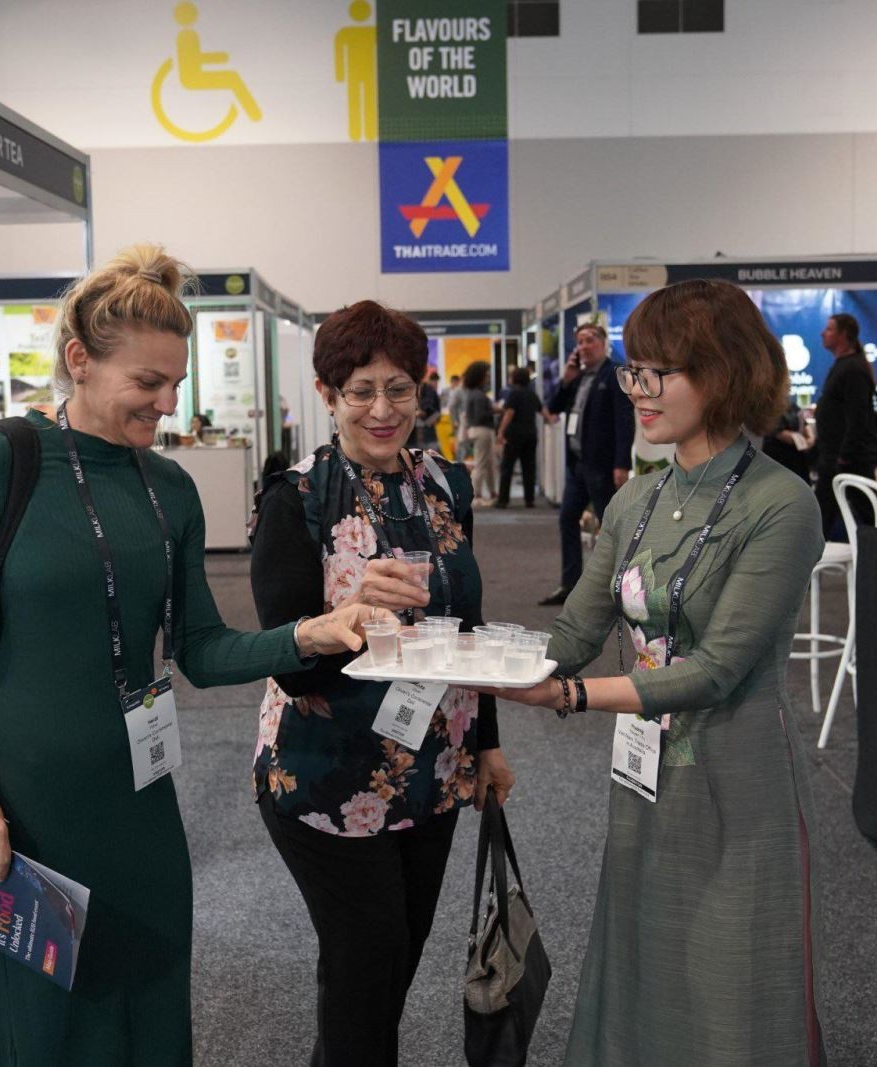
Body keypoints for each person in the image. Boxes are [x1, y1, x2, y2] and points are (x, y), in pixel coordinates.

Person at [0, 246, 379, 1066]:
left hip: (140, 805)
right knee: (42, 1030)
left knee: (147, 1016)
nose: (167, 403)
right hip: (19, 809)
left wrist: (307, 635)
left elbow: (201, 650)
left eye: (177, 384)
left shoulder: (170, 488)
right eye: (148, 383)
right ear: (80, 360)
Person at [485, 279, 827, 1066]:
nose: (637, 389)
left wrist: (567, 695)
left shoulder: (780, 504)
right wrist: (471, 655)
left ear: (726, 371)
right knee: (648, 964)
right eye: (633, 370)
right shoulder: (637, 499)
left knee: (735, 979)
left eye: (659, 371)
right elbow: (575, 631)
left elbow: (715, 671)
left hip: (738, 778)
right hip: (646, 776)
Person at [248, 299, 515, 1067]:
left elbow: (470, 622)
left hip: (433, 766)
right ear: (328, 393)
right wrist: (353, 610)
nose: (382, 408)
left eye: (399, 388)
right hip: (327, 772)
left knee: (389, 965)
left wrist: (486, 746)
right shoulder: (296, 498)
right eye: (361, 389)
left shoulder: (445, 483)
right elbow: (283, 656)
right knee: (367, 960)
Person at [540, 321, 634, 605]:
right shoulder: (577, 378)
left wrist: (621, 463)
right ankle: (569, 585)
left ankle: (620, 589)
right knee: (567, 519)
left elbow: (623, 422)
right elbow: (552, 409)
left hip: (603, 465)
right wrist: (566, 379)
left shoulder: (615, 374)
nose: (584, 346)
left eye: (590, 339)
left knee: (610, 527)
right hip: (577, 466)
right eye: (580, 341)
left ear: (604, 343)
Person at [812, 312, 877, 540]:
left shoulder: (853, 369)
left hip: (846, 461)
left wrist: (844, 456)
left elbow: (858, 418)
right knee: (828, 514)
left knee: (869, 513)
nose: (823, 333)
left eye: (830, 328)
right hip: (836, 459)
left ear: (844, 335)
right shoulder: (845, 365)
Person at [496, 365, 542, 508]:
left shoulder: (514, 394)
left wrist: (501, 432)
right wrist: (552, 419)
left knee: (507, 466)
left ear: (515, 378)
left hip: (515, 435)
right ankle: (529, 500)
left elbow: (509, 413)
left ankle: (503, 500)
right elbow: (542, 410)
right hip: (531, 434)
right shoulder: (532, 394)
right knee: (529, 467)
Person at [458, 359, 497, 504]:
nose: (488, 378)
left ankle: (489, 493)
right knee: (481, 464)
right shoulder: (479, 394)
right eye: (486, 375)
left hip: (475, 430)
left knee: (485, 463)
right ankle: (477, 495)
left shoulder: (471, 392)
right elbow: (481, 415)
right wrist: (495, 410)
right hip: (482, 430)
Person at [763, 397, 813, 483]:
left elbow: (804, 423)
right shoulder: (768, 406)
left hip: (798, 456)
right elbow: (779, 433)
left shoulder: (791, 403)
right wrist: (804, 442)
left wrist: (811, 438)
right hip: (779, 455)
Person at [413, 366, 441, 450]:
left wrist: (424, 414)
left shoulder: (429, 390)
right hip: (417, 427)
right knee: (417, 452)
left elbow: (435, 410)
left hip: (426, 425)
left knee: (430, 450)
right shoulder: (413, 389)